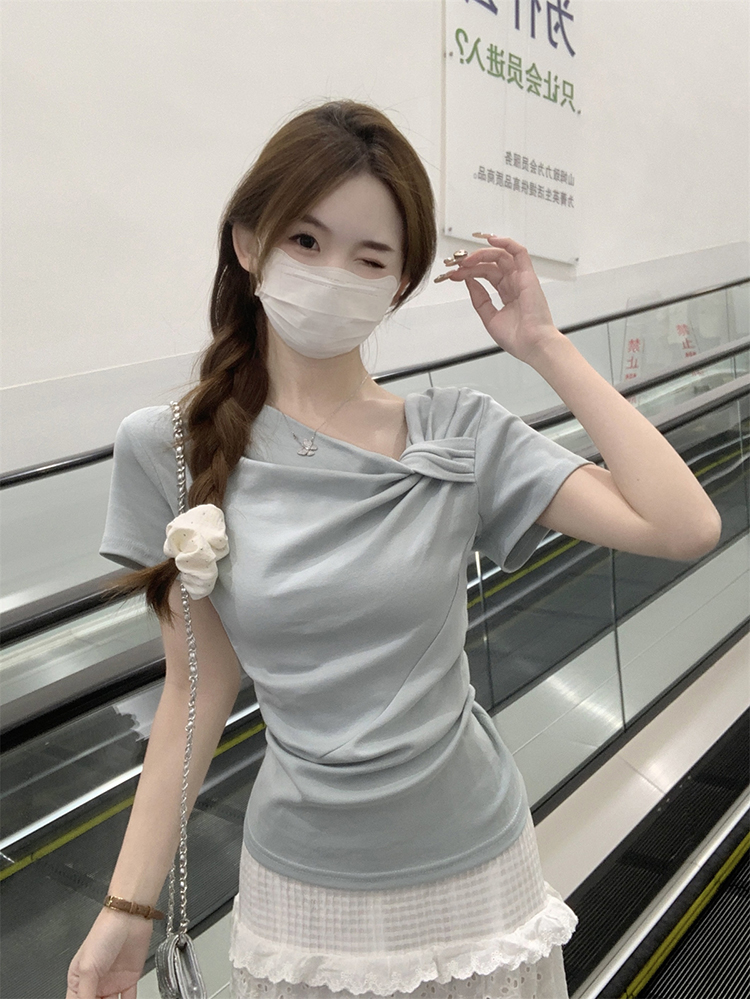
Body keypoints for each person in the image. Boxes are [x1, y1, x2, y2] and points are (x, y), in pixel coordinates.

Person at [66, 100, 721, 999]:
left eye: (370, 257)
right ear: (248, 243)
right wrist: (127, 908)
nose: (332, 274)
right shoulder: (168, 450)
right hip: (301, 899)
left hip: (477, 876)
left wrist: (543, 344)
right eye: (305, 239)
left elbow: (684, 526)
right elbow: (196, 687)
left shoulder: (457, 431)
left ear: (400, 282)